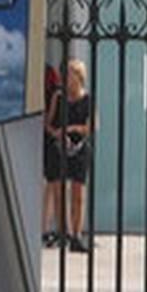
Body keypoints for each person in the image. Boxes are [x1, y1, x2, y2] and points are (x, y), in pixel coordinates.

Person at [59, 59, 94, 253]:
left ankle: (77, 235)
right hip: (62, 148)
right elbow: (50, 122)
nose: (68, 78)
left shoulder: (88, 99)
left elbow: (93, 125)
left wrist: (73, 128)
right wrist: (61, 134)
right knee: (62, 190)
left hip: (81, 148)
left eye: (71, 74)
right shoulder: (60, 98)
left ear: (79, 77)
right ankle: (64, 232)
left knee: (78, 194)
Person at [41, 64, 65, 248]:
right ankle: (50, 229)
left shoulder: (56, 91)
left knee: (51, 187)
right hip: (51, 141)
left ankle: (48, 229)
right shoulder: (57, 92)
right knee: (52, 187)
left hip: (49, 140)